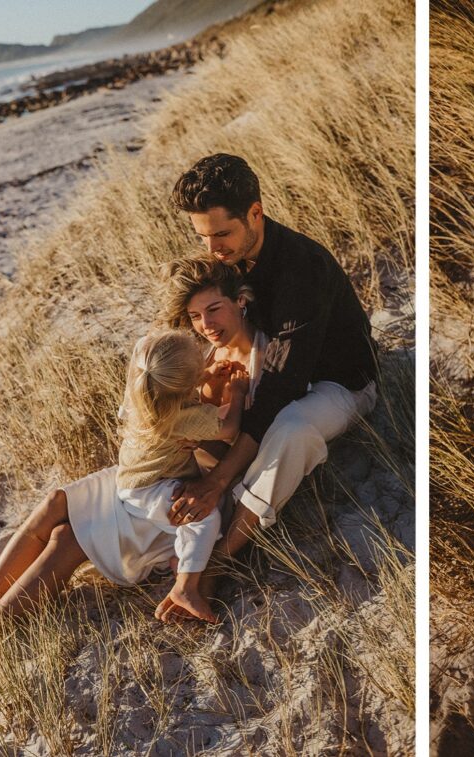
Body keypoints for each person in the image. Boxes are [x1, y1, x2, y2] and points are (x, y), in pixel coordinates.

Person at [0, 259, 262, 690]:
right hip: (145, 474)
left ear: (241, 302)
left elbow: (230, 433)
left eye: (214, 310)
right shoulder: (185, 351)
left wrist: (223, 399)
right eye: (193, 315)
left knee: (66, 539)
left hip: (171, 491)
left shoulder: (262, 353)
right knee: (56, 503)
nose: (205, 325)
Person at [156, 153, 379, 620]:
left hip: (336, 382)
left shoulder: (302, 268)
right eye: (203, 237)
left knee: (292, 428)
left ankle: (223, 554)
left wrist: (217, 483)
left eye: (222, 233)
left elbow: (284, 388)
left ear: (255, 213)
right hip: (266, 374)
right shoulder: (228, 262)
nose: (213, 248)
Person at [114, 329, 249, 623]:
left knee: (192, 517)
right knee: (204, 516)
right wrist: (237, 394)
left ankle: (179, 556)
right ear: (186, 388)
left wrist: (202, 375)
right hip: (149, 490)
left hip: (131, 480)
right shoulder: (183, 417)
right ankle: (185, 588)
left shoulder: (144, 394)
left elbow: (150, 358)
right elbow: (230, 427)